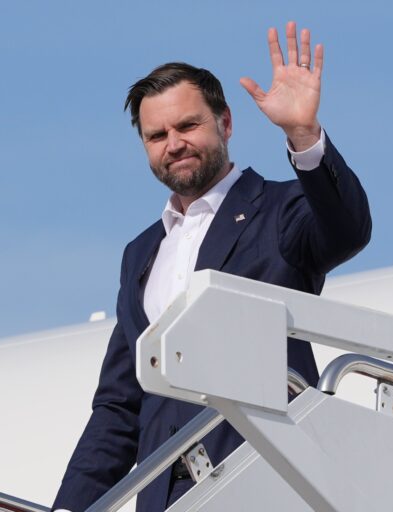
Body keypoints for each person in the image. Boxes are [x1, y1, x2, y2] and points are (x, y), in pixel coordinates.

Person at [52, 22, 371, 512]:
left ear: (226, 123)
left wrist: (303, 134)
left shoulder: (279, 211)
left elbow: (348, 229)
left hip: (263, 486)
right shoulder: (141, 255)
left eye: (187, 126)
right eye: (156, 135)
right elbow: (119, 408)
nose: (173, 143)